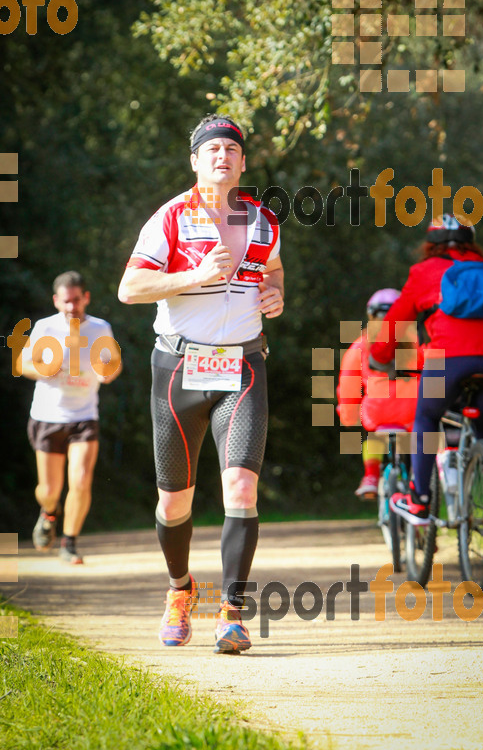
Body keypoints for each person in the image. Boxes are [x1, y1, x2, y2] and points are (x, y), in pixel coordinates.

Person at [118, 114, 284, 654]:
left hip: (244, 366)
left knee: (241, 488)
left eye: (231, 150)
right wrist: (194, 277)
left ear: (242, 162)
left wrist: (276, 293)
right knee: (174, 504)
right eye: (211, 149)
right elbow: (130, 287)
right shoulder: (169, 217)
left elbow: (274, 269)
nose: (222, 156)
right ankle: (179, 590)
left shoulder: (264, 220)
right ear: (195, 160)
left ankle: (232, 614)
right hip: (179, 370)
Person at [370, 214, 483, 538]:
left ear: (430, 244)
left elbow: (395, 323)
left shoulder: (423, 272)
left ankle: (420, 502)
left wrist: (381, 355)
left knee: (426, 418)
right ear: (471, 241)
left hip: (446, 361)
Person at [22, 270, 122, 564]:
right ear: (56, 301)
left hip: (84, 415)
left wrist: (107, 371)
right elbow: (23, 363)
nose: (71, 307)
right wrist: (45, 369)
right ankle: (48, 512)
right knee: (49, 490)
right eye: (66, 301)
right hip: (47, 415)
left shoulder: (101, 329)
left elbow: (112, 367)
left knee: (80, 480)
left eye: (76, 300)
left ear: (86, 298)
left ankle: (69, 543)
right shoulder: (45, 328)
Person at [337, 289, 422, 498]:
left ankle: (371, 475)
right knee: (415, 439)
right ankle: (416, 480)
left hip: (377, 412)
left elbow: (349, 385)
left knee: (374, 434)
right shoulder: (416, 342)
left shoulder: (360, 345)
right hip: (412, 410)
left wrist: (349, 418)